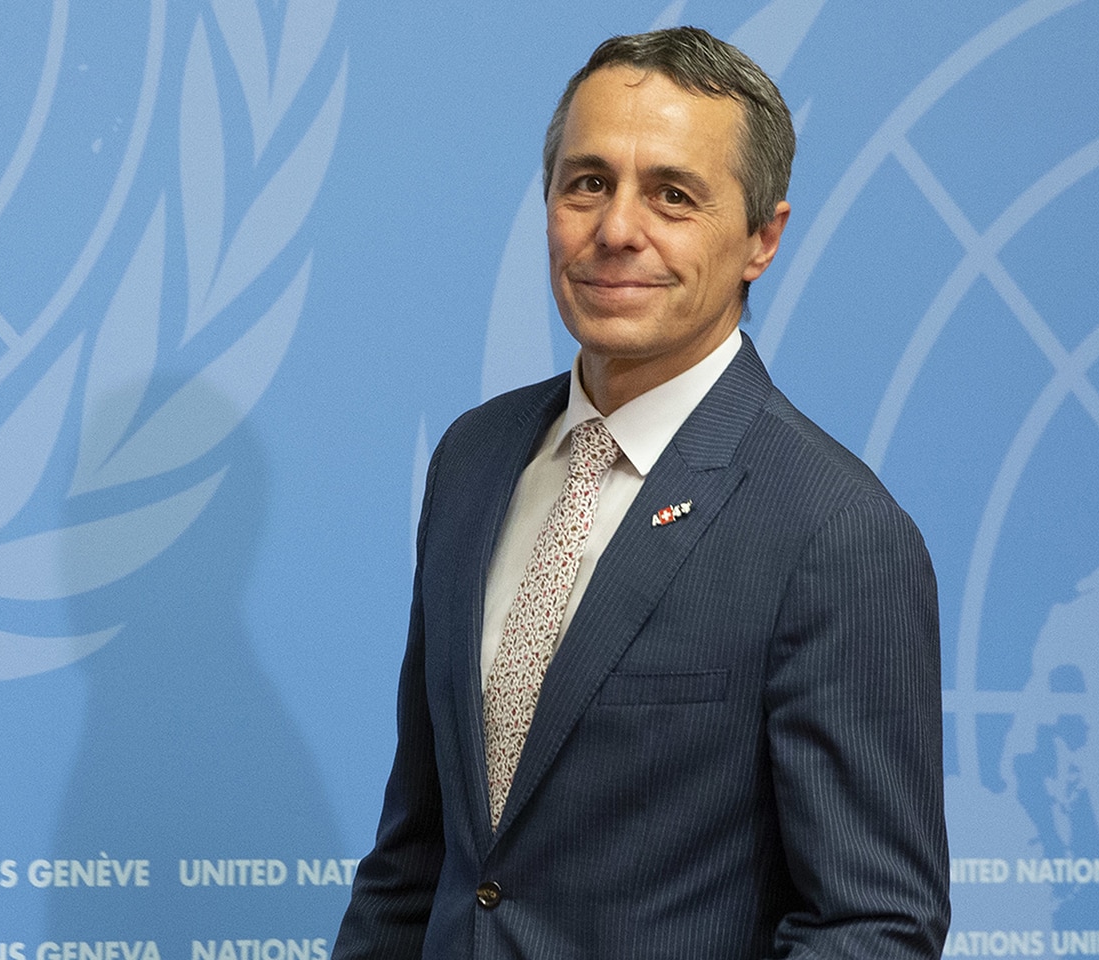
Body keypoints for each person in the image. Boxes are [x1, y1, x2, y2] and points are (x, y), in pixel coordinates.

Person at [333, 26, 949, 959]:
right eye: (587, 183)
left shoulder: (834, 531)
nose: (617, 229)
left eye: (672, 195)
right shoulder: (474, 458)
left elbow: (872, 926)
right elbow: (419, 856)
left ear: (762, 239)